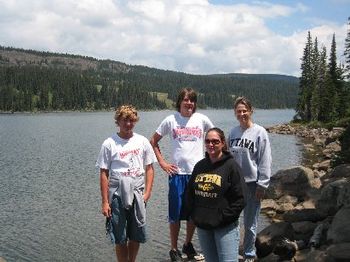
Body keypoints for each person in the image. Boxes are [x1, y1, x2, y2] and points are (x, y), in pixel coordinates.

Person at [150, 87, 214, 261]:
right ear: (179, 102)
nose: (189, 103)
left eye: (192, 100)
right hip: (177, 175)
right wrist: (163, 163)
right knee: (175, 213)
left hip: (197, 174)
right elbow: (153, 141)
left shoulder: (201, 119)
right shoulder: (171, 120)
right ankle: (173, 248)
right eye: (186, 100)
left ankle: (187, 244)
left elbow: (216, 138)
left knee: (193, 213)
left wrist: (212, 161)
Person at [96, 105, 157, 262]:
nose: (128, 124)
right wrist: (105, 202)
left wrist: (147, 193)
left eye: (131, 120)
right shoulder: (109, 143)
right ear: (118, 121)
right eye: (125, 120)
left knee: (136, 233)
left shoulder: (142, 141)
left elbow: (149, 168)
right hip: (116, 193)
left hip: (137, 191)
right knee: (120, 235)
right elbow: (104, 173)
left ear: (135, 121)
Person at [185, 127, 246, 262]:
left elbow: (241, 199)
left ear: (223, 143)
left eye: (215, 141)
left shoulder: (232, 166)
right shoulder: (200, 166)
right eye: (207, 141)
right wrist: (195, 216)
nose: (211, 145)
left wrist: (223, 217)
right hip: (203, 227)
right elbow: (190, 193)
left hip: (225, 227)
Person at [228, 97, 272, 262]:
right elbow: (229, 158)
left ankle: (248, 254)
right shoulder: (233, 132)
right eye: (239, 111)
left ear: (250, 111)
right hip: (235, 185)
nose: (242, 114)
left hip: (253, 184)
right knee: (232, 221)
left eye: (244, 110)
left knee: (250, 223)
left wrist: (263, 184)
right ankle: (231, 252)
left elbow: (265, 159)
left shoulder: (260, 132)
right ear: (235, 113)